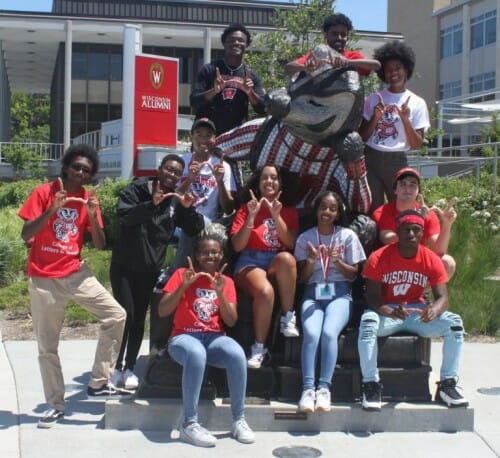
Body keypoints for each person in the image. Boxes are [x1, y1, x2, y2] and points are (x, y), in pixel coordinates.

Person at [17, 144, 127, 429]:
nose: (80, 173)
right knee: (47, 347)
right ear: (66, 167)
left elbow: (101, 244)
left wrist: (92, 216)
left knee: (116, 315)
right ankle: (55, 404)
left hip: (76, 273)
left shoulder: (89, 198)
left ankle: (99, 381)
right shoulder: (44, 192)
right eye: (76, 167)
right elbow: (25, 233)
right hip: (44, 278)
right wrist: (52, 209)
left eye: (86, 171)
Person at [109, 154, 204, 389]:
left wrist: (189, 208)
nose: (171, 175)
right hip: (124, 267)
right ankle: (113, 367)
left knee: (139, 318)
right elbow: (125, 216)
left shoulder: (175, 200)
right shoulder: (138, 188)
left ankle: (129, 368)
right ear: (159, 169)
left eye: (176, 172)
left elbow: (195, 227)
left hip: (149, 270)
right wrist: (151, 203)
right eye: (168, 169)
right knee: (125, 316)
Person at [357, 209, 468, 411]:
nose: (411, 235)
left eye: (416, 230)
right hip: (388, 311)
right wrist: (387, 310)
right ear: (397, 232)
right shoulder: (379, 257)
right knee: (367, 324)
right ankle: (370, 385)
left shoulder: (431, 258)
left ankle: (447, 385)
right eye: (406, 230)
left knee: (454, 324)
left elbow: (443, 297)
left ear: (422, 233)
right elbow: (371, 297)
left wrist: (434, 309)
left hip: (417, 313)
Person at [158, 234, 255, 447]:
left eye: (214, 252)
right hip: (183, 338)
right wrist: (183, 286)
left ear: (221, 255)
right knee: (196, 352)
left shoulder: (226, 281)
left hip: (213, 338)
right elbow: (162, 310)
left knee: (237, 354)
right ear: (197, 255)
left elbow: (230, 320)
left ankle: (239, 419)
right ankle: (189, 423)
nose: (210, 256)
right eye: (205, 252)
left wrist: (220, 293)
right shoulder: (182, 274)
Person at [294, 191, 366, 412]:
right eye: (323, 207)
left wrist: (337, 261)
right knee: (312, 333)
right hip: (313, 293)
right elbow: (302, 278)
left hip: (340, 294)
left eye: (332, 209)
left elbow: (353, 275)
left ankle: (324, 389)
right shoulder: (305, 238)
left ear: (338, 213)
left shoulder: (347, 236)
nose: (327, 212)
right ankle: (308, 389)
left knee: (328, 333)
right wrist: (312, 261)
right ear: (316, 210)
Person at [230, 165, 300, 369]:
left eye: (274, 178)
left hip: (274, 260)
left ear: (280, 183)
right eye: (265, 178)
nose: (269, 181)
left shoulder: (288, 211)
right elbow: (237, 245)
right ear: (258, 183)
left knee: (287, 259)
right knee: (265, 291)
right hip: (249, 260)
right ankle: (259, 348)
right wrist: (252, 216)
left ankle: (288, 317)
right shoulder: (246, 208)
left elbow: (290, 243)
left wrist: (276, 216)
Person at [359, 41, 430, 213]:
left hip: (397, 160)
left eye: (397, 68)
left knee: (401, 207)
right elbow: (362, 137)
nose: (393, 73)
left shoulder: (418, 102)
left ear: (406, 70)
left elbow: (417, 144)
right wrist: (376, 117)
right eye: (388, 70)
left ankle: (398, 240)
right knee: (372, 207)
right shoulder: (374, 98)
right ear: (383, 73)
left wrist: (405, 119)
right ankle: (376, 240)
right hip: (371, 158)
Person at [171, 118, 236, 269]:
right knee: (190, 224)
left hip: (208, 223)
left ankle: (174, 273)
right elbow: (171, 198)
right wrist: (190, 179)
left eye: (208, 135)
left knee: (195, 225)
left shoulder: (222, 166)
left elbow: (228, 209)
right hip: (179, 222)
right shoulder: (180, 161)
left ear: (214, 139)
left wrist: (219, 181)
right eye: (199, 135)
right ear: (191, 137)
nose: (203, 139)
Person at [372, 167, 457, 279]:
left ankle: (419, 294)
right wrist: (416, 221)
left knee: (447, 262)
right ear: (395, 190)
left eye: (413, 184)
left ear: (418, 191)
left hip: (416, 262)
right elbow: (387, 239)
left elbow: (439, 250)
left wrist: (447, 224)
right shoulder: (382, 212)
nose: (408, 188)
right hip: (391, 263)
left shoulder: (428, 214)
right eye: (403, 184)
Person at [190, 23, 266, 136]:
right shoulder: (209, 70)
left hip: (235, 138)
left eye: (241, 40)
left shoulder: (251, 76)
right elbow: (194, 101)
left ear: (247, 44)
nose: (236, 43)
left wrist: (250, 93)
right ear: (224, 44)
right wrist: (214, 91)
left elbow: (262, 109)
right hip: (208, 135)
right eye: (232, 40)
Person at [285, 13, 380, 76]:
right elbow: (288, 67)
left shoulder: (352, 56)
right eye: (334, 34)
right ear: (326, 35)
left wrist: (348, 62)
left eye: (343, 35)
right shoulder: (317, 55)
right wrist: (306, 67)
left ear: (348, 37)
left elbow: (376, 65)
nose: (339, 38)